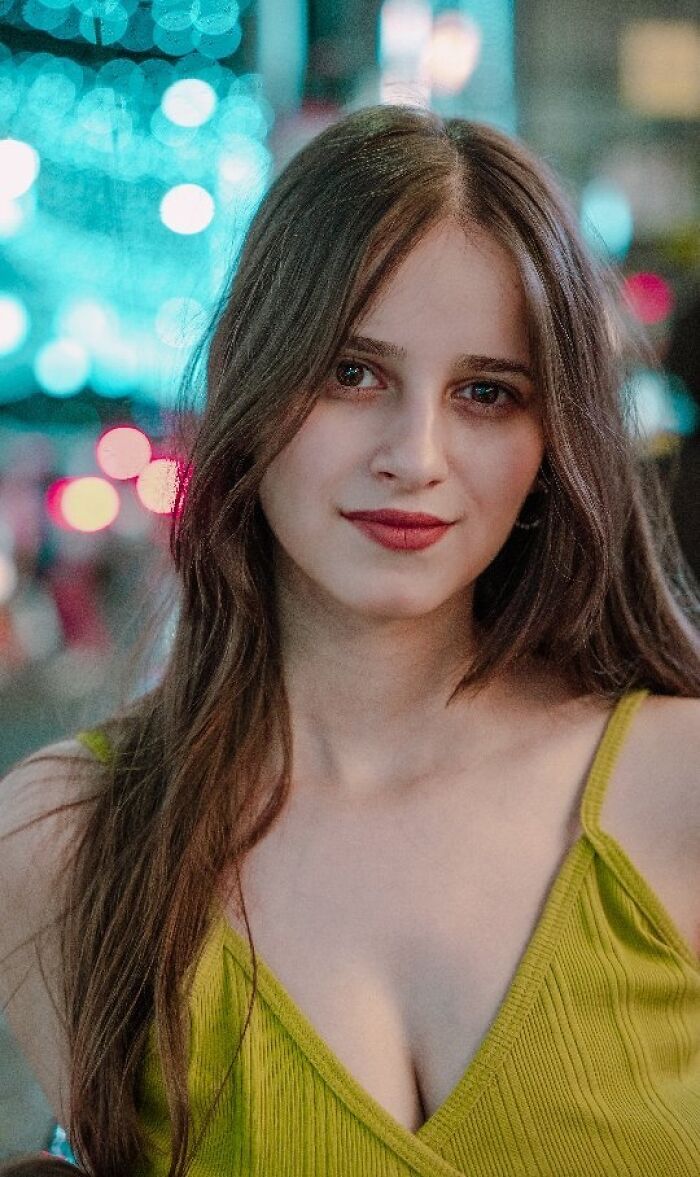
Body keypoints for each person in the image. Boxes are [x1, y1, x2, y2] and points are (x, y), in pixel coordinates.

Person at [1, 104, 699, 1177]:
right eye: (351, 373)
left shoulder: (679, 780)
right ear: (252, 376)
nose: (413, 455)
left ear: (552, 438)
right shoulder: (68, 838)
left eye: (484, 392)